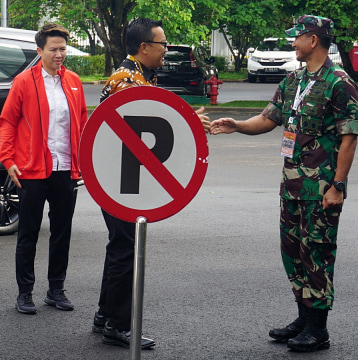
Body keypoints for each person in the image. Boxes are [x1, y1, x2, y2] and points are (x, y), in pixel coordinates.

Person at [208, 15, 358, 352]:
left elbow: (349, 139)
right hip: (291, 184)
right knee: (292, 252)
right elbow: (268, 119)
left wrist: (338, 186)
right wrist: (237, 124)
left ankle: (318, 329)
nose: (292, 43)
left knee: (316, 253)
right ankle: (303, 317)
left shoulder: (339, 82)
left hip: (321, 188)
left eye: (297, 37)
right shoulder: (294, 80)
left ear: (314, 40)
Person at [92, 17, 209, 350]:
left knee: (120, 246)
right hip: (118, 180)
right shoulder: (126, 81)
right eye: (163, 45)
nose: (166, 50)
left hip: (121, 179)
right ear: (144, 47)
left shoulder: (139, 76)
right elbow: (146, 124)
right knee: (125, 249)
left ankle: (105, 315)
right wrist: (186, 120)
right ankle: (117, 325)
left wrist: (186, 119)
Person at [0, 22, 87, 315]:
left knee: (62, 233)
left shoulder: (73, 82)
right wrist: (8, 160)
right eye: (54, 49)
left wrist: (83, 161)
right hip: (33, 171)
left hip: (65, 170)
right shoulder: (24, 82)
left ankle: (56, 289)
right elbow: (8, 121)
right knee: (29, 234)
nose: (60, 54)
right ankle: (25, 293)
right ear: (40, 51)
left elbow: (83, 124)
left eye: (63, 48)